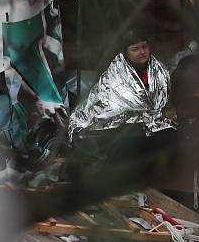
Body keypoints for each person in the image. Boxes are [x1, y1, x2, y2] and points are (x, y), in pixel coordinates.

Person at [68, 29, 176, 161]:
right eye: (135, 49)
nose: (142, 52)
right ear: (126, 52)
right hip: (120, 131)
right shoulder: (115, 76)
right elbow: (106, 106)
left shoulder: (159, 71)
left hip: (153, 128)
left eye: (144, 47)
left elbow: (165, 103)